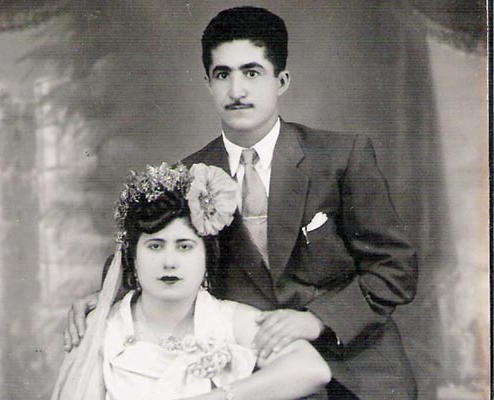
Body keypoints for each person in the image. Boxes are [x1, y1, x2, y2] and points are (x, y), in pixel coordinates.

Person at [65, 6, 418, 400]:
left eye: (252, 73)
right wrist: (104, 299)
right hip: (256, 373)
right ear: (208, 83)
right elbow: (148, 250)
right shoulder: (188, 176)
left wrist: (316, 321)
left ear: (281, 81)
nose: (236, 91)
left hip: (356, 370)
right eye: (223, 75)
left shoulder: (340, 157)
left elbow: (395, 268)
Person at [51, 163, 331, 400]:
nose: (169, 262)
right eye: (155, 246)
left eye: (184, 246)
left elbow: (312, 369)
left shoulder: (228, 320)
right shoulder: (106, 327)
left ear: (206, 257)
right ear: (132, 257)